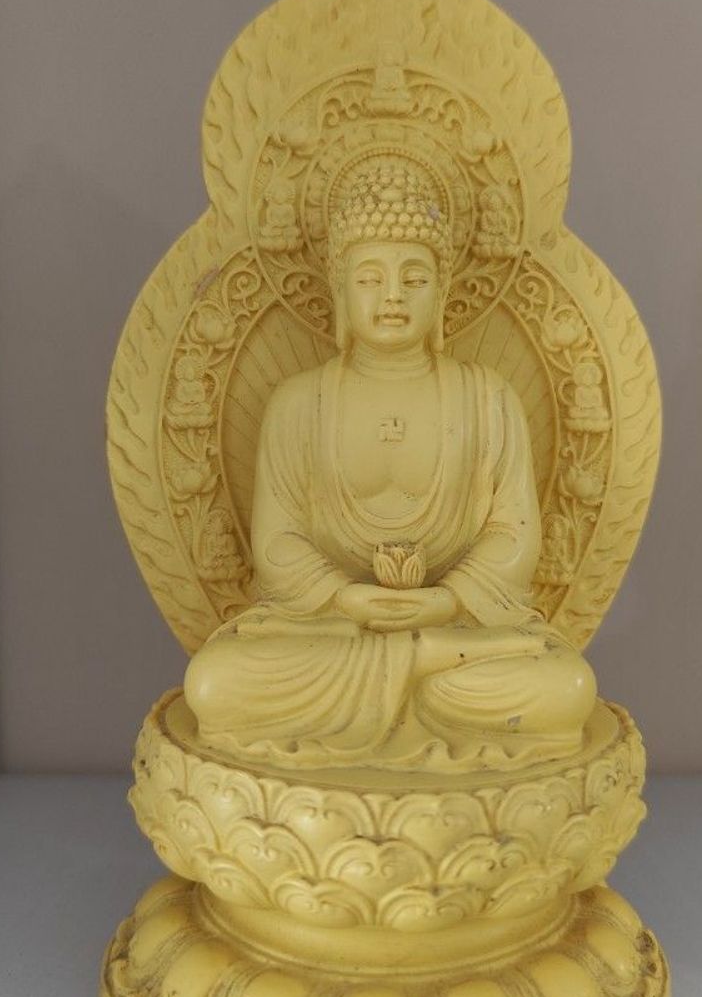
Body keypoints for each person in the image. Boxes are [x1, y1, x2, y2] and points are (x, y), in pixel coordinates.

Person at [184, 155, 597, 767]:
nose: (393, 296)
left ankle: (417, 669)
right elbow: (276, 544)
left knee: (565, 687)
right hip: (331, 631)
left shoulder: (488, 399)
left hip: (457, 629)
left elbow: (513, 536)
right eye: (370, 278)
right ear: (339, 290)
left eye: (415, 277)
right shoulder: (298, 404)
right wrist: (345, 599)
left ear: (443, 291)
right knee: (216, 682)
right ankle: (417, 671)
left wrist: (448, 601)